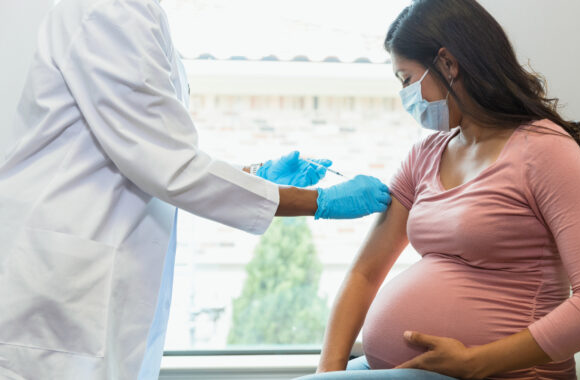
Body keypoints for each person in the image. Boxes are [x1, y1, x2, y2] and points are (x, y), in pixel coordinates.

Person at [0, 0, 390, 378]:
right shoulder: (109, 10)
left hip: (88, 270)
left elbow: (155, 152)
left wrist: (257, 176)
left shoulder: (135, 13)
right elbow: (167, 166)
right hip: (63, 281)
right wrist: (317, 202)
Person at [300, 0, 580, 379]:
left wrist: (475, 362)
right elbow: (365, 272)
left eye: (406, 79)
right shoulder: (425, 154)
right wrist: (328, 373)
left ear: (448, 64)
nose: (405, 96)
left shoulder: (545, 151)